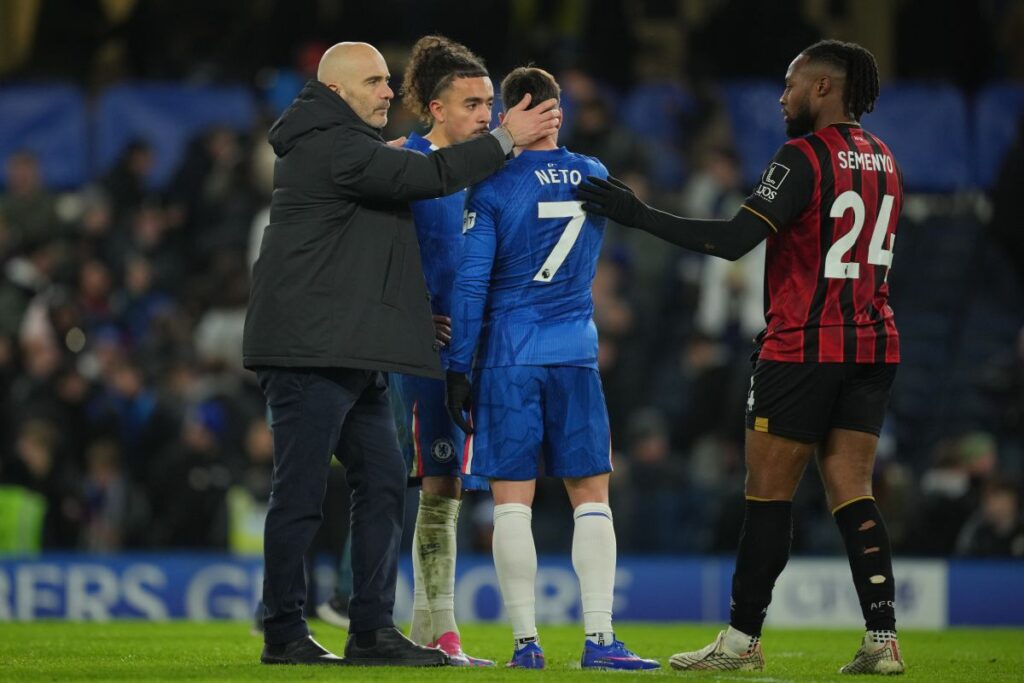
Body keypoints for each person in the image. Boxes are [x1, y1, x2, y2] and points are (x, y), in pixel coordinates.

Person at [577, 40, 906, 675]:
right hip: (872, 341)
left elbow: (733, 240)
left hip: (804, 347)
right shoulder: (886, 159)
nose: (781, 98)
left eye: (790, 84)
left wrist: (635, 212)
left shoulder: (801, 155)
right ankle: (882, 639)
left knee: (768, 495)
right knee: (853, 492)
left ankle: (740, 642)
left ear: (821, 89)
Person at [242, 41, 558, 667]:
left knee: (384, 483)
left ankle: (371, 631)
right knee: (301, 495)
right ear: (335, 91)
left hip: (351, 349)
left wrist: (419, 315)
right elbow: (428, 176)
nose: (390, 91)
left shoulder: (349, 147)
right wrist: (505, 138)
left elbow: (375, 255)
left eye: (389, 81)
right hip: (310, 350)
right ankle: (282, 632)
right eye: (375, 82)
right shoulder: (332, 147)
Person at [445, 66, 660, 672]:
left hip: (510, 355)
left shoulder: (489, 185)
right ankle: (600, 641)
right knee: (591, 497)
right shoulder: (594, 174)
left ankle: (526, 645)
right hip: (574, 350)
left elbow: (470, 283)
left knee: (513, 502)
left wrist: (459, 365)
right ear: (557, 111)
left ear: (510, 111)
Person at [316, 35, 496, 668]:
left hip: (465, 354)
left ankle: (433, 628)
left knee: (446, 488)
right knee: (401, 480)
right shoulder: (400, 164)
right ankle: (369, 609)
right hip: (404, 355)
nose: (485, 116)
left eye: (490, 103)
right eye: (472, 103)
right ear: (436, 109)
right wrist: (414, 316)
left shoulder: (491, 174)